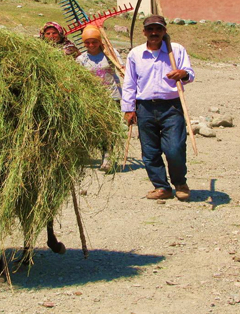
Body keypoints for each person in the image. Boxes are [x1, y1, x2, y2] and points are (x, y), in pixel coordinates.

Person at [121, 15, 194, 201]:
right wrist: (128, 109)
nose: (154, 33)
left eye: (158, 29)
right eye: (150, 29)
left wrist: (182, 73)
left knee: (174, 148)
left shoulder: (176, 50)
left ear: (164, 31)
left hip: (171, 106)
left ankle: (180, 183)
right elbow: (130, 83)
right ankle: (162, 187)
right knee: (150, 151)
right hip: (144, 107)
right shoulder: (135, 54)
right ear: (144, 32)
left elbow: (190, 74)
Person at [76, 24, 123, 171]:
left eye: (94, 41)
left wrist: (121, 69)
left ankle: (108, 158)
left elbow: (121, 67)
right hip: (92, 98)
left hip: (112, 96)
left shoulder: (109, 53)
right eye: (87, 42)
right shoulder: (81, 59)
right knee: (94, 128)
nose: (91, 45)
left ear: (99, 41)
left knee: (110, 128)